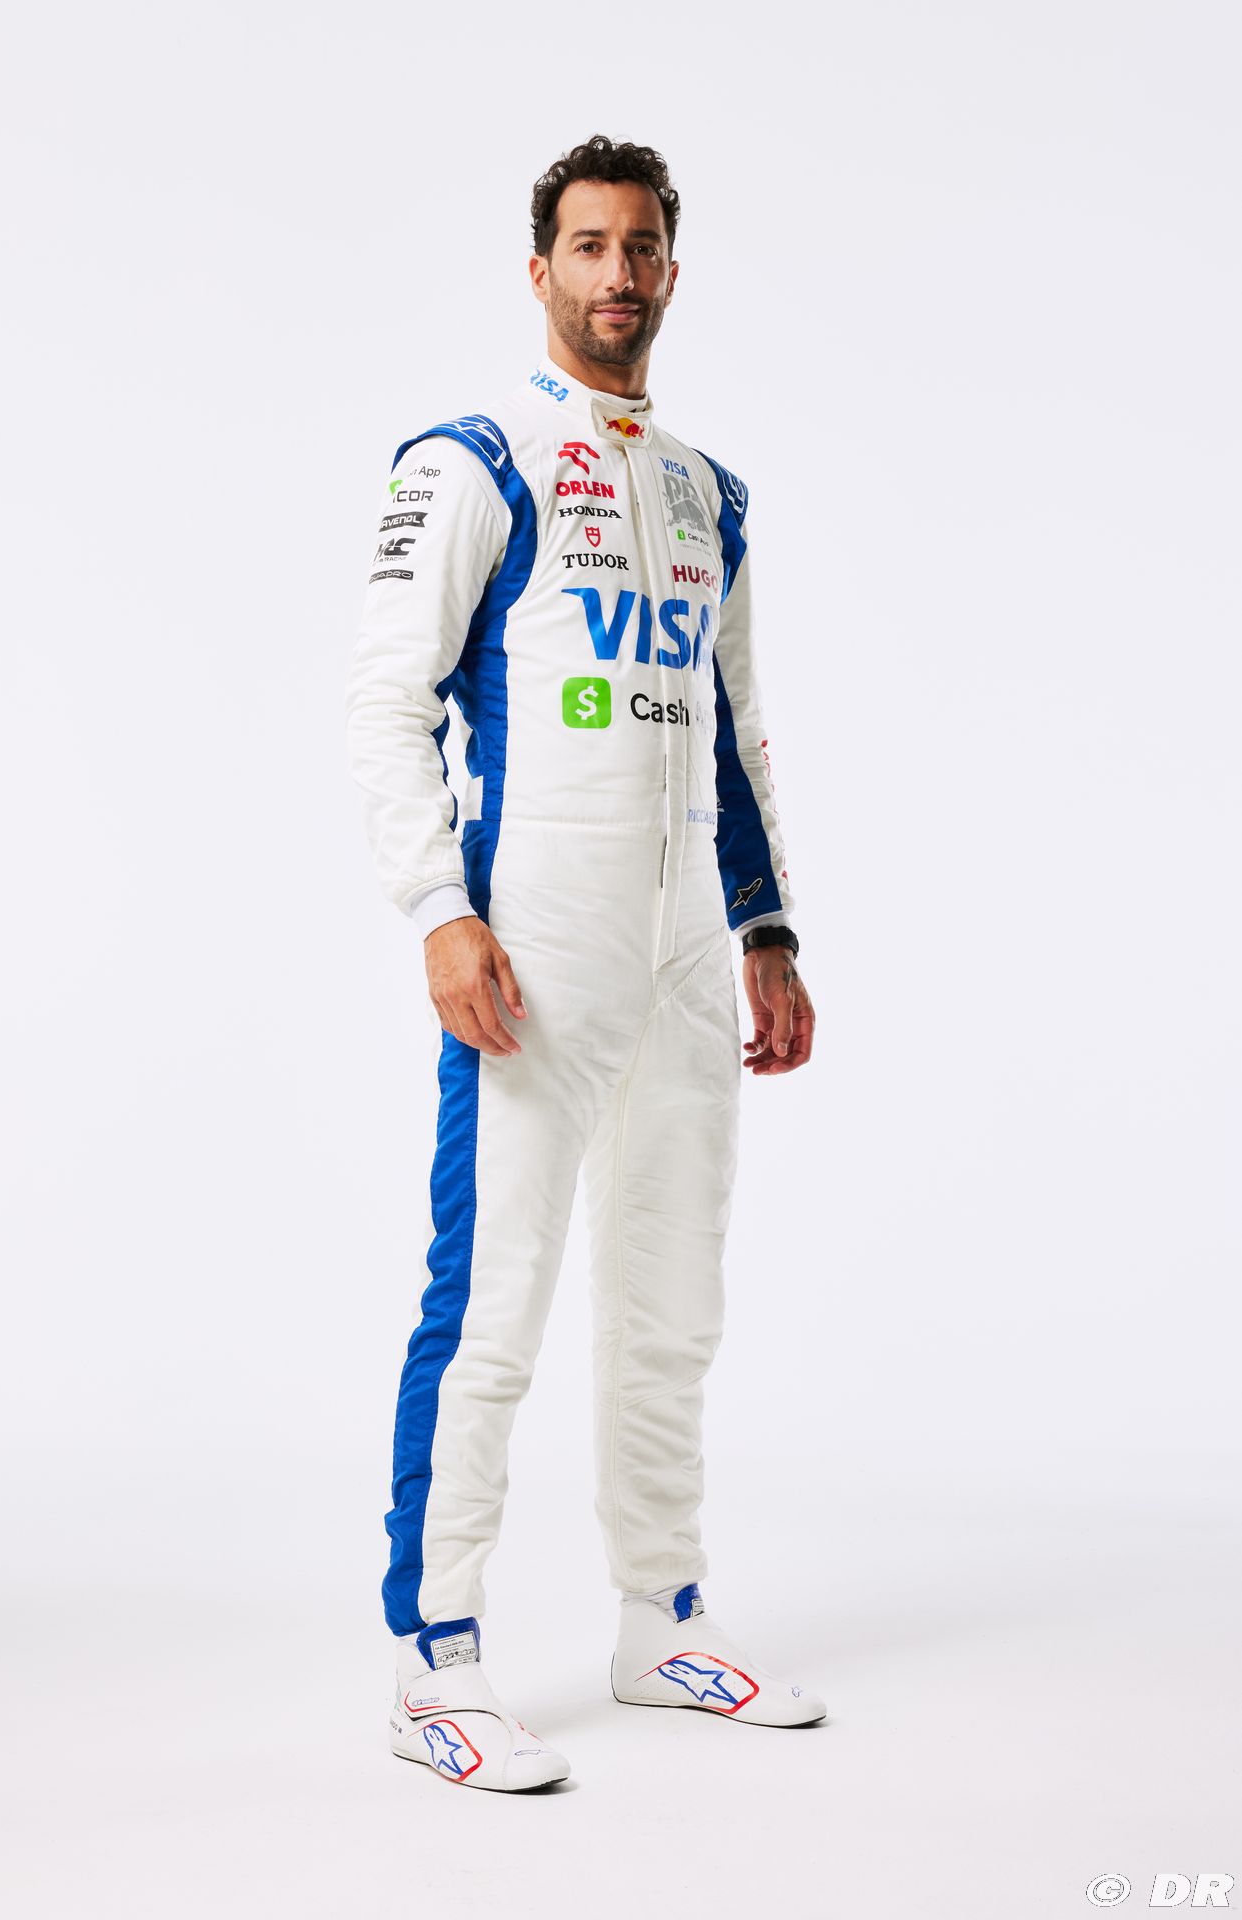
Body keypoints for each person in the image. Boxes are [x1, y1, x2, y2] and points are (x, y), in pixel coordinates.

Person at [345, 134, 825, 1794]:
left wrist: (767, 931)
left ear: (671, 272)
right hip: (532, 942)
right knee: (488, 1303)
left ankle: (659, 1617)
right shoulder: (472, 459)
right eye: (589, 245)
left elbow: (734, 738)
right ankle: (434, 1664)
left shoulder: (710, 495)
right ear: (540, 268)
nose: (617, 274)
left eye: (641, 249)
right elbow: (383, 704)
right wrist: (438, 911)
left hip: (683, 948)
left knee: (671, 1301)